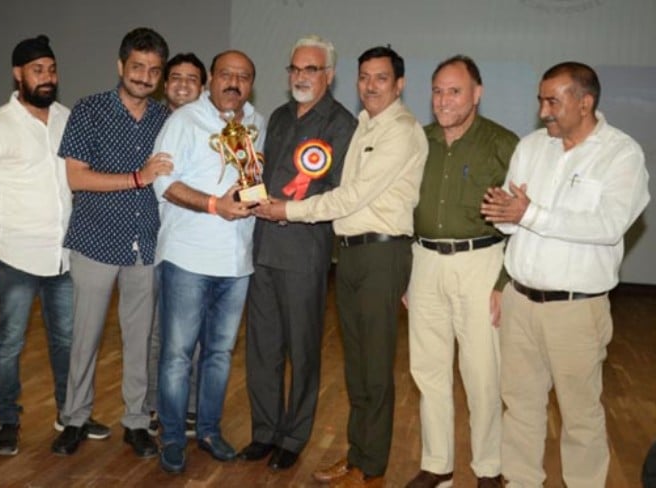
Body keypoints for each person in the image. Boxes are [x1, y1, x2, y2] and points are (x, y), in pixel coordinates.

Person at [255, 44, 428, 487]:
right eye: (365, 77)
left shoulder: (401, 131)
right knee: (358, 367)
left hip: (380, 253)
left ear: (400, 84)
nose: (370, 86)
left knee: (374, 368)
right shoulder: (367, 126)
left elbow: (350, 197)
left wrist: (286, 211)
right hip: (350, 253)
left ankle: (370, 468)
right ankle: (358, 457)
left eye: (381, 78)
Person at [480, 61, 649, 487]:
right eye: (540, 99)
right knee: (519, 407)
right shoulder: (532, 147)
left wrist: (529, 212)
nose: (543, 111)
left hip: (576, 310)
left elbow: (608, 226)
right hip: (520, 302)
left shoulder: (621, 154)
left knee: (580, 417)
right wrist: (504, 212)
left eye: (553, 101)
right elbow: (512, 221)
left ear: (585, 102)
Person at [0, 35, 92, 457]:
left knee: (68, 342)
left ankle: (69, 416)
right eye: (38, 70)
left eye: (51, 70)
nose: (47, 78)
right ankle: (8, 420)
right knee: (9, 343)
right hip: (15, 257)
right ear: (18, 74)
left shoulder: (68, 119)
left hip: (64, 256)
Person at [50, 27, 173, 458]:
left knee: (141, 339)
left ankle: (137, 421)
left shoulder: (166, 119)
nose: (144, 76)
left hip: (147, 245)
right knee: (85, 338)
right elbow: (76, 176)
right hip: (95, 241)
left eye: (154, 70)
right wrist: (137, 178)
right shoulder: (89, 110)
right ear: (121, 66)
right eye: (137, 66)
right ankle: (75, 418)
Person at [237, 34, 356, 472]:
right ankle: (264, 431)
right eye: (295, 69)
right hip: (263, 246)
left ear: (329, 75)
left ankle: (293, 436)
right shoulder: (280, 118)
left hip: (304, 250)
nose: (301, 77)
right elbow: (263, 173)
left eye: (311, 69)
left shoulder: (342, 124)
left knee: (303, 350)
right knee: (262, 348)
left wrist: (287, 210)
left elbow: (337, 190)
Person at [404, 55, 517, 488]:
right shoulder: (418, 140)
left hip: (481, 263)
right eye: (437, 90)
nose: (443, 100)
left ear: (477, 94)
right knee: (427, 370)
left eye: (454, 91)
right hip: (424, 261)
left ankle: (488, 469)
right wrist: (406, 273)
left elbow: (522, 217)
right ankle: (438, 465)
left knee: (482, 373)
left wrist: (504, 283)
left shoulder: (502, 143)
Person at [151, 49, 265, 474]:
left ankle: (211, 431)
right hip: (187, 257)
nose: (234, 82)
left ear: (251, 83)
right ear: (210, 80)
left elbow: (254, 184)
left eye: (244, 75)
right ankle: (174, 437)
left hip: (237, 262)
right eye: (226, 74)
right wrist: (216, 204)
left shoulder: (257, 123)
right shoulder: (182, 121)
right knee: (178, 355)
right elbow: (163, 183)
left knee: (219, 353)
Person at [145, 51, 207, 440]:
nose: (183, 84)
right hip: (152, 243)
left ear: (204, 86)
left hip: (195, 245)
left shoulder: (214, 127)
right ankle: (157, 405)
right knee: (158, 333)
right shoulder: (148, 122)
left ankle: (190, 407)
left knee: (195, 334)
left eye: (192, 78)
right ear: (165, 84)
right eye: (176, 77)